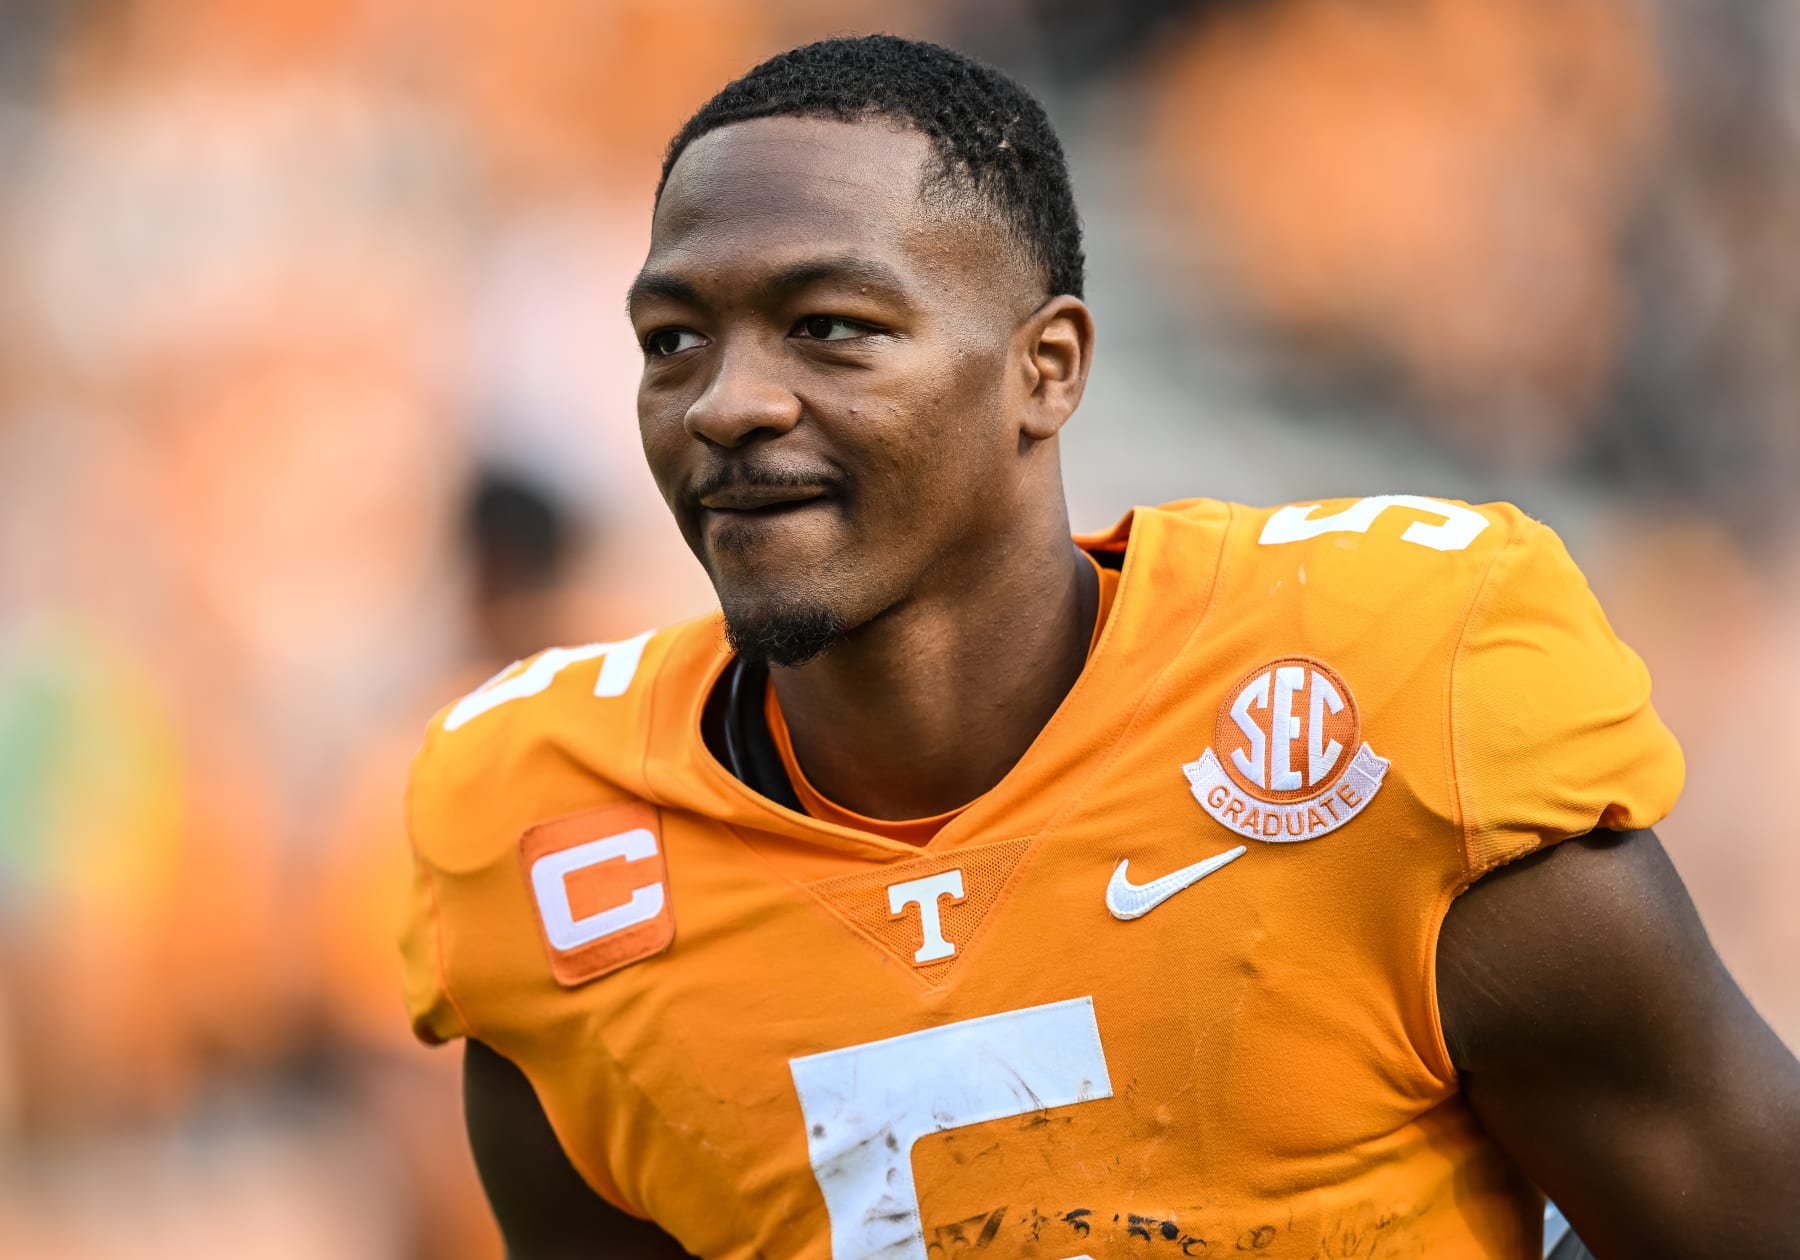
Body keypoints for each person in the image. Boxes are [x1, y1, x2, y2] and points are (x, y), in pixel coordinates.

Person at [399, 35, 1800, 1260]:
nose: (727, 404)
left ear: (1046, 367)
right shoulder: (545, 830)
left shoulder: (1383, 697)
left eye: (831, 328)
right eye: (673, 341)